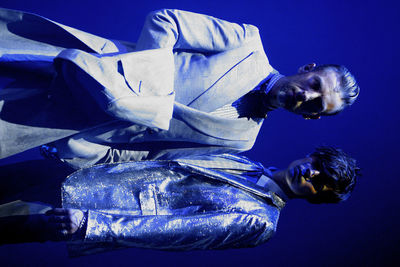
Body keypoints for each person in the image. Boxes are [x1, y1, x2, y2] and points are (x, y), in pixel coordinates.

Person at [0, 8, 359, 168]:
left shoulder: (242, 141)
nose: (307, 97)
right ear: (307, 69)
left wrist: (81, 151)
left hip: (68, 125)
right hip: (85, 63)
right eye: (314, 85)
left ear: (311, 118)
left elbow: (150, 156)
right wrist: (142, 92)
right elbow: (165, 21)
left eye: (316, 105)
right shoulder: (247, 43)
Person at [0, 146, 360, 256]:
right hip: (85, 174)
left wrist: (95, 225)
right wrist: (87, 153)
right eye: (316, 167)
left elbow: (175, 232)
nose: (310, 175)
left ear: (318, 199)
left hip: (90, 211)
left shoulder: (260, 221)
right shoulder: (245, 161)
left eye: (320, 184)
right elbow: (163, 155)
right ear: (310, 157)